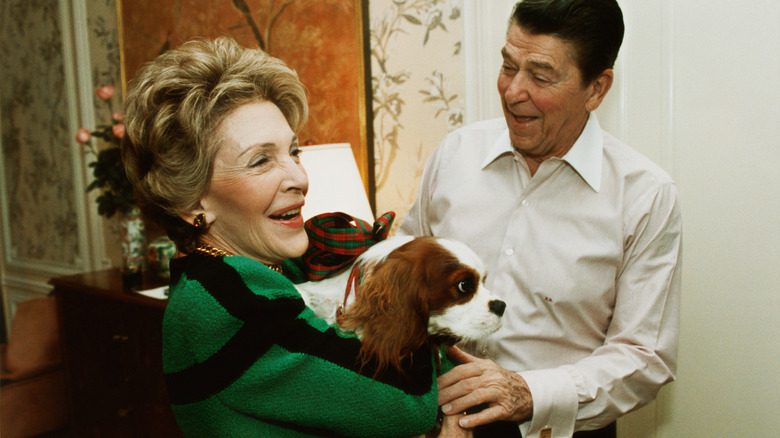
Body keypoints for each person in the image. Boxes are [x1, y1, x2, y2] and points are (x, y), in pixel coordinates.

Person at [121, 37, 444, 437]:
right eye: (260, 160)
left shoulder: (263, 271)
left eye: (294, 152)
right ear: (192, 201)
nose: (299, 178)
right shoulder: (229, 297)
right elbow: (406, 400)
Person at [399, 1, 682, 437]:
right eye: (508, 66)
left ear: (596, 89)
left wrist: (528, 393)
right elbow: (400, 282)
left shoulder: (645, 195)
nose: (513, 91)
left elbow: (644, 357)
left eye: (540, 75)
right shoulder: (455, 155)